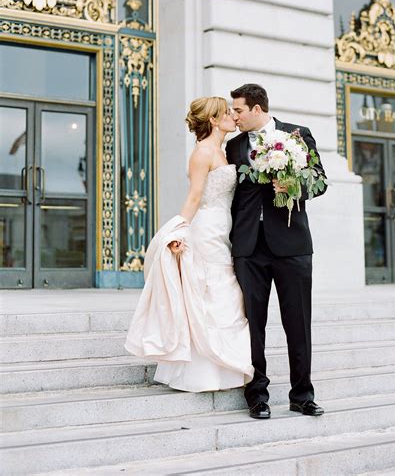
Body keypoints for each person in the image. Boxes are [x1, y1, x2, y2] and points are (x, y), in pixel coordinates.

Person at [125, 96, 253, 392]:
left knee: (226, 294)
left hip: (224, 229)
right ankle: (207, 371)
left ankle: (227, 368)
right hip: (207, 230)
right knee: (213, 292)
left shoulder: (224, 150)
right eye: (227, 113)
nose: (233, 117)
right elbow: (195, 198)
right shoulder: (202, 153)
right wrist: (177, 233)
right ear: (213, 120)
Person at [225, 83, 327, 419]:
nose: (233, 116)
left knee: (298, 323)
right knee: (252, 325)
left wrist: (295, 185)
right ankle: (257, 395)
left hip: (292, 245)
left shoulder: (298, 135)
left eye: (238, 110)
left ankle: (302, 394)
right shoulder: (234, 146)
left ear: (256, 109)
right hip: (248, 247)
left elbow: (320, 181)